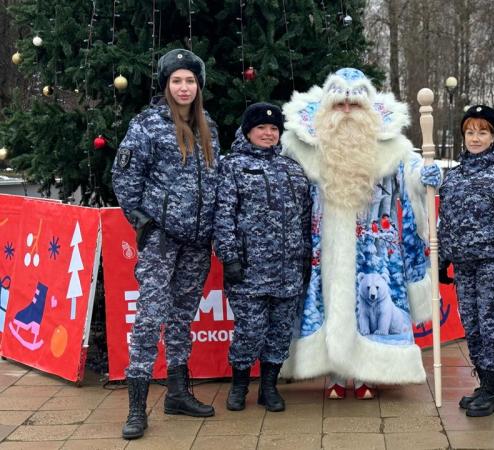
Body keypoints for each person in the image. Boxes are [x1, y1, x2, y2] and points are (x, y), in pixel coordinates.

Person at [279, 68, 441, 399]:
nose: (348, 112)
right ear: (327, 107)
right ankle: (336, 375)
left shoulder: (391, 145)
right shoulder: (301, 146)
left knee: (369, 308)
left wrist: (424, 173)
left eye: (355, 106)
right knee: (327, 304)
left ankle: (367, 372)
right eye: (340, 105)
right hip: (321, 244)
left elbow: (409, 170)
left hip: (374, 246)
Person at [112, 48, 219, 440]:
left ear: (198, 85)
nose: (184, 87)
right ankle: (137, 407)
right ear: (166, 85)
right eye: (177, 80)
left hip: (196, 241)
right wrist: (144, 223)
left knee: (182, 316)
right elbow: (124, 178)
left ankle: (177, 392)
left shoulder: (209, 125)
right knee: (149, 317)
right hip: (161, 239)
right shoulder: (147, 125)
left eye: (190, 80)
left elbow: (214, 180)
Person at [214, 103, 311, 412]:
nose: (268, 133)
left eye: (273, 129)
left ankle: (268, 387)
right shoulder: (232, 166)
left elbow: (305, 218)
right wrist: (229, 258)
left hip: (288, 269)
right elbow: (223, 215)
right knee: (250, 330)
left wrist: (305, 259)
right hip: (249, 270)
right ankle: (239, 385)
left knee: (281, 331)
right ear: (248, 132)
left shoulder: (292, 169)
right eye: (261, 128)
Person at [437, 105, 494, 417]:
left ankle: (491, 388)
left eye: (483, 132)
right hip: (464, 264)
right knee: (472, 326)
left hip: (493, 264)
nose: (476, 138)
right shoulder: (455, 176)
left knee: (491, 326)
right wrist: (442, 258)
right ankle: (485, 384)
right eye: (470, 132)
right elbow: (445, 221)